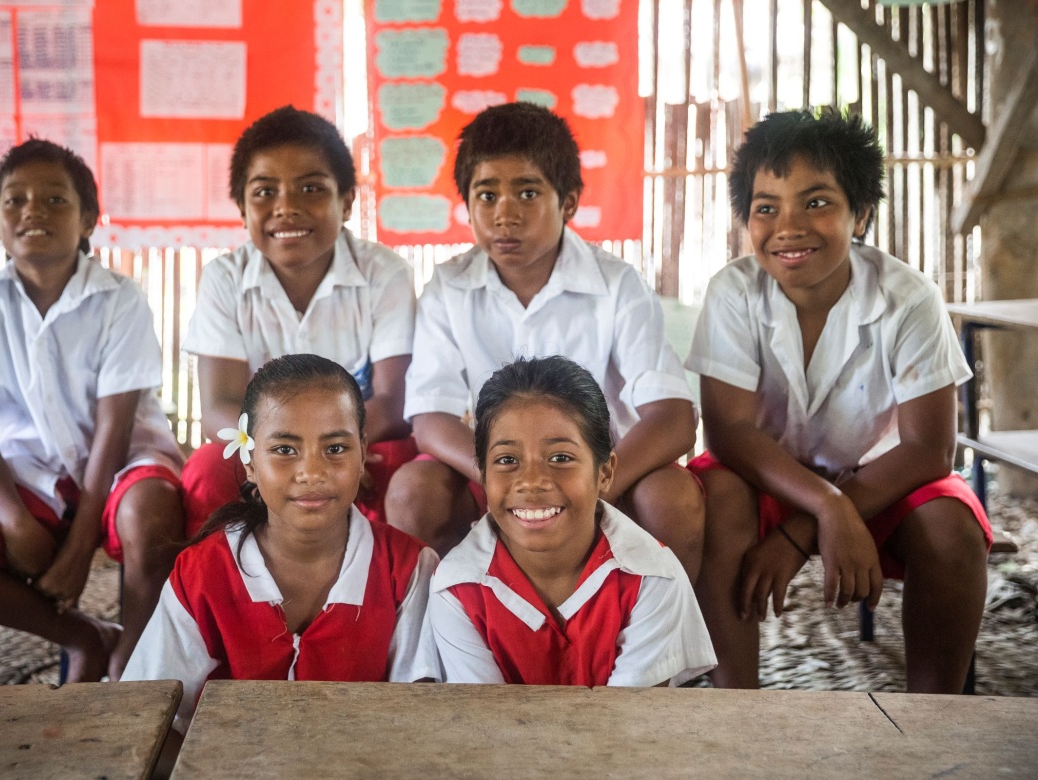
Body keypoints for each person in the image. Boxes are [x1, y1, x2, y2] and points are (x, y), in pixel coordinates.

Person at [686, 108, 992, 694]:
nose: (788, 226)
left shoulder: (907, 297)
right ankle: (735, 708)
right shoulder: (734, 291)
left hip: (884, 482)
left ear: (862, 214)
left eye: (817, 202)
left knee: (952, 527)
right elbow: (727, 433)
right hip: (767, 480)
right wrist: (824, 508)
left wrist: (813, 523)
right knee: (719, 493)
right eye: (765, 207)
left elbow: (931, 449)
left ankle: (936, 719)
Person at [0, 138, 185, 682]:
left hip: (122, 464)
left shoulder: (120, 299)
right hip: (32, 475)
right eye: (15, 201)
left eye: (55, 199)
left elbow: (114, 427)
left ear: (88, 220)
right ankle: (85, 636)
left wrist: (78, 549)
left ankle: (137, 666)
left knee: (152, 518)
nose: (33, 210)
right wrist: (12, 519)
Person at [386, 102, 704, 579]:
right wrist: (505, 479)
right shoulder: (449, 287)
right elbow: (431, 419)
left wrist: (591, 484)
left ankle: (666, 645)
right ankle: (438, 644)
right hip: (491, 473)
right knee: (413, 490)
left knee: (672, 497)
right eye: (486, 195)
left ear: (569, 202)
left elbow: (674, 417)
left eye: (528, 193)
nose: (504, 215)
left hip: (605, 474)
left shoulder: (616, 285)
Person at [122, 354, 438, 734]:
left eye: (336, 448)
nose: (311, 472)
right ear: (251, 462)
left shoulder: (407, 569)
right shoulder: (202, 574)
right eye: (285, 450)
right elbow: (150, 721)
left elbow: (418, 719)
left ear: (361, 454)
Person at [181, 106, 416, 535]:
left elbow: (392, 403)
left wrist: (340, 453)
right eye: (264, 192)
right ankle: (224, 594)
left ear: (346, 202)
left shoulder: (384, 274)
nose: (286, 208)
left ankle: (385, 594)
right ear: (240, 206)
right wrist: (285, 458)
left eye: (310, 188)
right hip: (266, 451)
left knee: (405, 475)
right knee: (209, 471)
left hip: (363, 442)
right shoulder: (225, 279)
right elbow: (218, 407)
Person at [428, 356, 715, 686]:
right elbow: (484, 725)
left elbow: (632, 723)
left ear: (605, 472)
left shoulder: (652, 578)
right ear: (483, 472)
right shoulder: (456, 587)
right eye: (507, 460)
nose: (532, 481)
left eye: (560, 458)